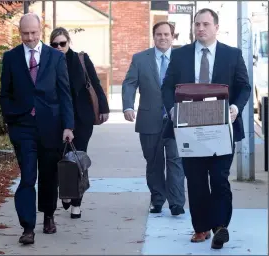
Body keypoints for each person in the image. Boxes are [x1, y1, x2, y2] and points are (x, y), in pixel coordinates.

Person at [162, 8, 251, 249]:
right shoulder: (180, 55)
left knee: (220, 178)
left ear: (216, 27)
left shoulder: (232, 55)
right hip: (189, 129)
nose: (200, 28)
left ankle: (220, 226)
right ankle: (201, 227)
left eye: (205, 24)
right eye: (197, 24)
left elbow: (244, 87)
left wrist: (235, 107)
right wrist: (172, 109)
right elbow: (167, 86)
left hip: (222, 128)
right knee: (196, 179)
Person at [0, 13, 74, 245]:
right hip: (23, 127)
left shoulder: (55, 57)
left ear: (41, 31)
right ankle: (27, 227)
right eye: (25, 34)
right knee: (28, 176)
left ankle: (49, 215)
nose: (29, 38)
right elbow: (5, 94)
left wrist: (68, 125)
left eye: (33, 33)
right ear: (19, 32)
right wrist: (12, 120)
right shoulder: (11, 58)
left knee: (49, 175)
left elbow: (64, 93)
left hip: (51, 126)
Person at [122, 21, 185, 216]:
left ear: (172, 37)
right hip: (149, 120)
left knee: (176, 161)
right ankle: (157, 200)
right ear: (154, 36)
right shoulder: (140, 59)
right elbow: (130, 83)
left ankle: (176, 203)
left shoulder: (182, 58)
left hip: (177, 120)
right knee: (154, 162)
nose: (163, 38)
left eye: (167, 34)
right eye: (159, 34)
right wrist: (128, 105)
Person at [49, 27, 110, 218]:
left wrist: (104, 107)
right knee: (60, 159)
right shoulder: (48, 62)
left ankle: (76, 202)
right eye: (54, 44)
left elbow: (96, 83)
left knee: (77, 159)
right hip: (57, 120)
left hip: (82, 119)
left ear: (68, 42)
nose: (59, 47)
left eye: (62, 43)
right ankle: (66, 194)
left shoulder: (81, 60)